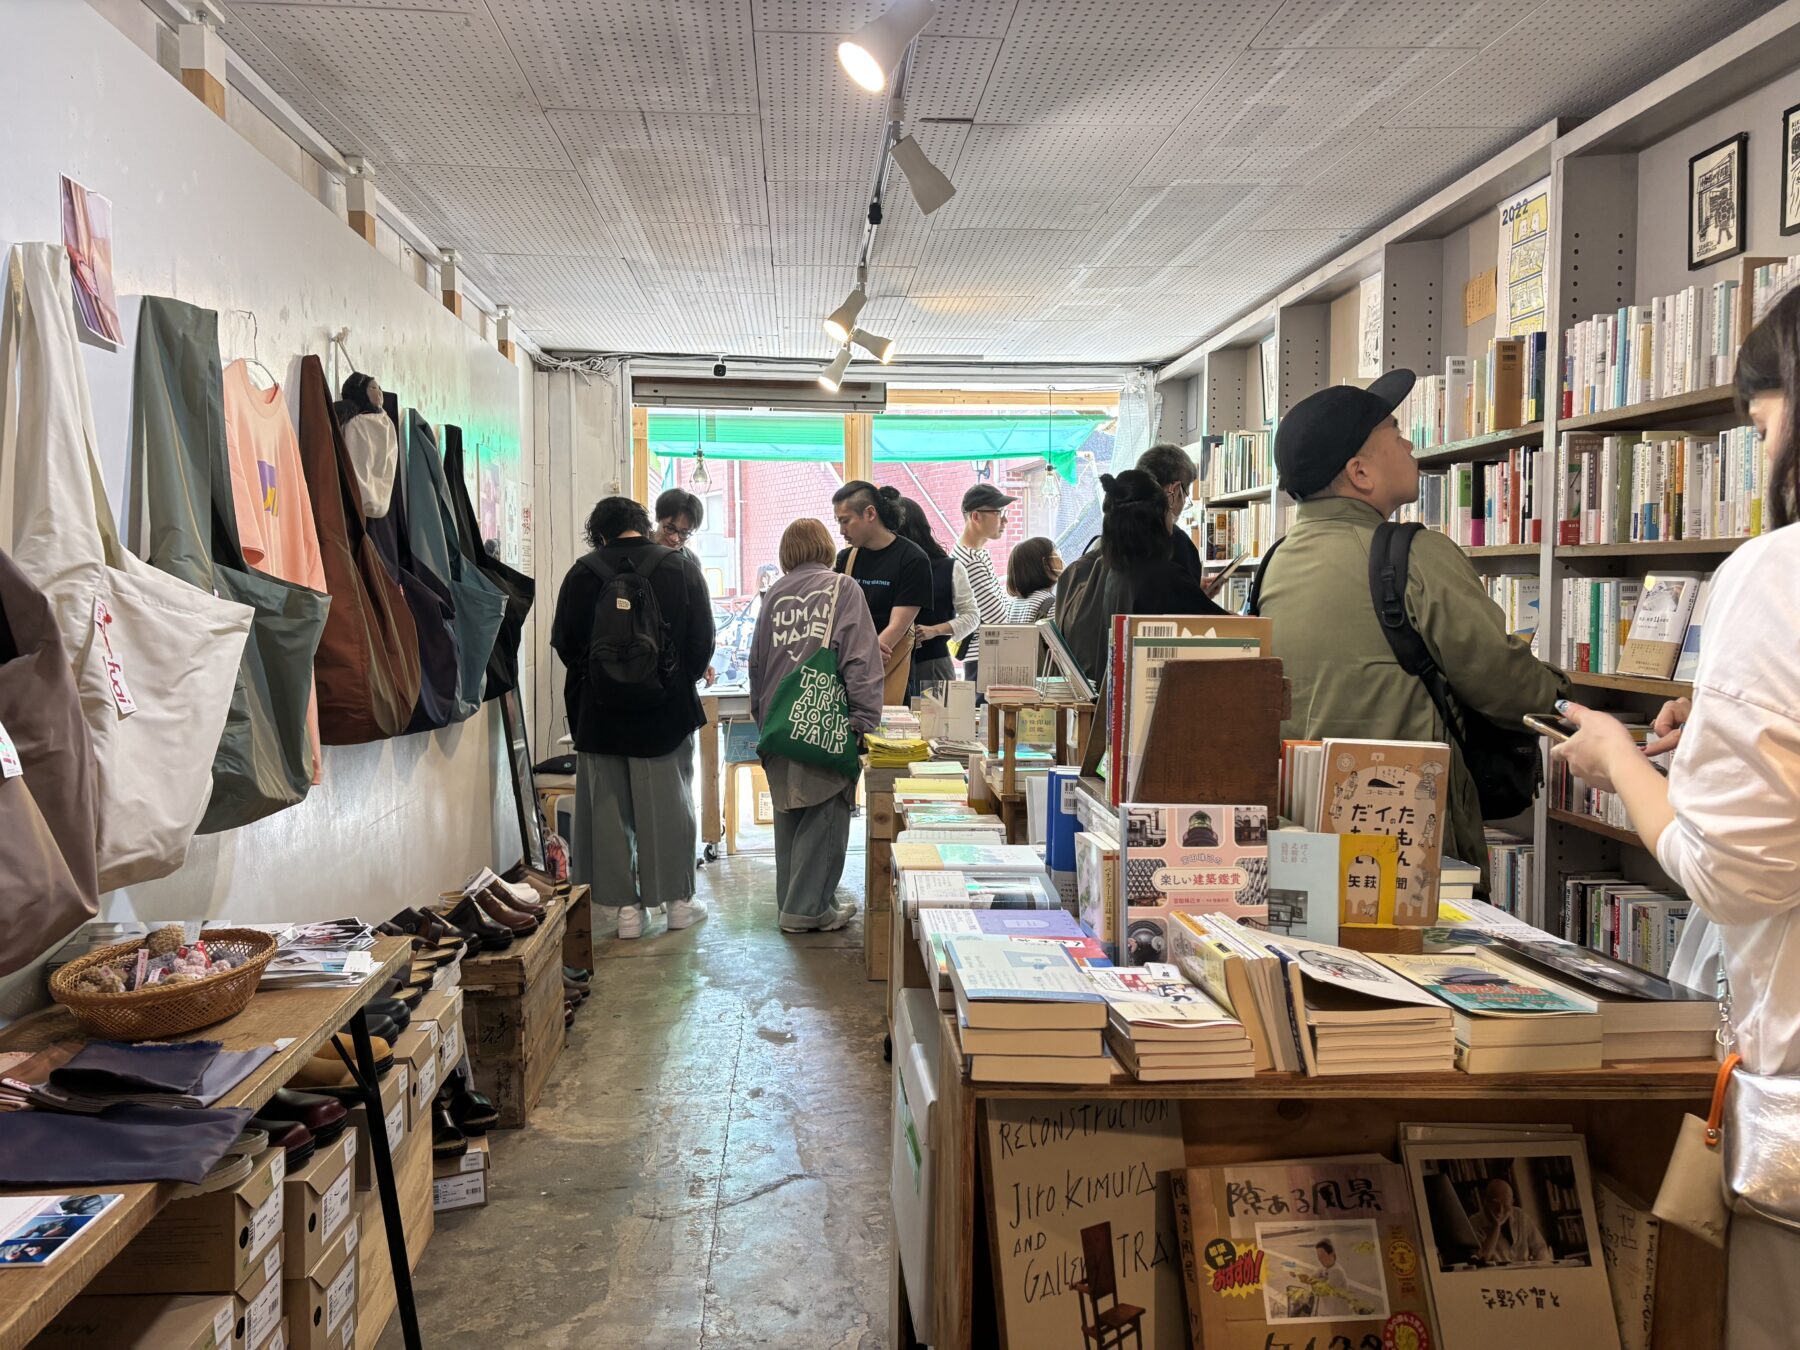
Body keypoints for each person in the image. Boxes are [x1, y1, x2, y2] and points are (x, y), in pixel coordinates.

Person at [1552, 288, 1800, 1350]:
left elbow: (1731, 872)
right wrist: (1723, 733)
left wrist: (1617, 762)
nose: (1764, 451)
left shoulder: (1777, 577)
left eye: (1761, 422)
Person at [1253, 372, 1569, 877]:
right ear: (1360, 472)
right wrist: (1567, 698)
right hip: (1404, 835)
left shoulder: (1273, 563)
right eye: (1395, 433)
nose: (1409, 445)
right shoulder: (1413, 554)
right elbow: (1503, 682)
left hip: (1297, 833)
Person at [550, 496, 716, 940]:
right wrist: (672, 681)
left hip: (599, 716)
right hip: (664, 715)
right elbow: (702, 640)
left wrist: (602, 681)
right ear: (644, 525)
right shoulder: (679, 567)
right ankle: (678, 904)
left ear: (599, 534)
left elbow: (565, 643)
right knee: (669, 807)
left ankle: (626, 912)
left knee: (608, 812)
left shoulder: (581, 573)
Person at [749, 520, 883, 933]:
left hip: (779, 720)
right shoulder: (843, 588)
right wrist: (863, 720)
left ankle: (793, 901)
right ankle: (808, 910)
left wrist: (764, 718)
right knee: (826, 813)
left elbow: (757, 663)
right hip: (825, 720)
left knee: (789, 813)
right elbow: (860, 658)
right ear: (825, 547)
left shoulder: (775, 594)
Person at [831, 482, 931, 707]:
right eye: (838, 522)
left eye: (845, 521)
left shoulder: (913, 559)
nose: (841, 530)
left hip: (888, 670)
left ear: (870, 513)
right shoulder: (845, 559)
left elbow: (898, 626)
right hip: (846, 673)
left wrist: (867, 656)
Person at [1099, 469, 1227, 615]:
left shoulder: (1115, 575)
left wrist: (1192, 591)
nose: (1171, 515)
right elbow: (1217, 622)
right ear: (1155, 517)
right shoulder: (1164, 577)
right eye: (1167, 505)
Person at [895, 496, 977, 692]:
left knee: (938, 712)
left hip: (932, 662)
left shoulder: (949, 568)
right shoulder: (886, 566)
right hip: (891, 662)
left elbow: (972, 616)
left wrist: (935, 630)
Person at [953, 482, 1019, 688]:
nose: (1005, 520)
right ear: (976, 516)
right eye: (999, 513)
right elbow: (998, 618)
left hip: (985, 656)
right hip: (985, 658)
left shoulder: (976, 554)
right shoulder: (969, 561)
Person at [1137, 442, 1204, 582]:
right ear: (1175, 490)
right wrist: (1196, 591)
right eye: (1185, 496)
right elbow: (1183, 596)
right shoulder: (1175, 541)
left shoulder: (1113, 536)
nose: (1183, 504)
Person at [1469, 1177, 1549, 1266]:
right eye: (1495, 1204)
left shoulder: (1520, 1216)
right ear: (1485, 1201)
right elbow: (1482, 1258)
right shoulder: (1474, 1223)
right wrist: (1496, 1227)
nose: (1500, 1211)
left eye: (1506, 1206)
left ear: (1512, 1203)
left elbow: (1541, 1249)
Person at [1006, 535, 1062, 621]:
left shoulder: (1012, 605)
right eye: (1056, 556)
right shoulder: (1053, 605)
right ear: (1045, 564)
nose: (1060, 561)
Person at [654, 487, 704, 557]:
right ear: (657, 518)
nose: (675, 539)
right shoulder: (640, 550)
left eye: (684, 533)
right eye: (670, 528)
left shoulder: (691, 560)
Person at [1312, 1238, 1352, 1315]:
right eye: (1318, 1256)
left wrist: (1317, 1282)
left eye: (1323, 1255)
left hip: (1340, 1314)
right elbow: (1312, 1278)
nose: (1320, 1259)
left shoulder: (1337, 1271)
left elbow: (1322, 1290)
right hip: (1330, 1311)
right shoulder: (1324, 1267)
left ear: (1332, 1254)